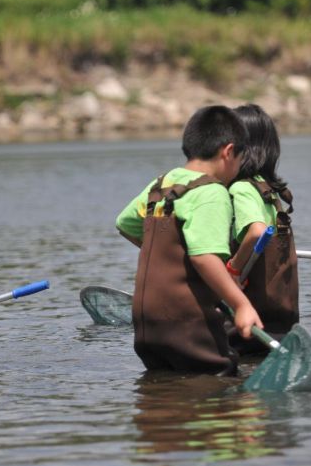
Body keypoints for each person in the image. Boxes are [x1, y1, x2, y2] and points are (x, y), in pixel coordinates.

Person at [115, 105, 263, 376]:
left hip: (147, 321)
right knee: (221, 384)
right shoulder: (212, 192)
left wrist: (167, 251)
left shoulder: (161, 185)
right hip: (186, 320)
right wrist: (242, 304)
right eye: (241, 159)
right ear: (228, 152)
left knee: (163, 390)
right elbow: (204, 257)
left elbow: (125, 222)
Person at [226, 104, 298, 355]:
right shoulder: (270, 190)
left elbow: (256, 231)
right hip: (281, 322)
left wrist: (233, 268)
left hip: (249, 326)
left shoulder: (242, 189)